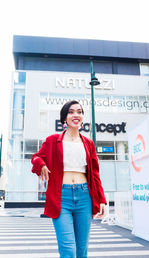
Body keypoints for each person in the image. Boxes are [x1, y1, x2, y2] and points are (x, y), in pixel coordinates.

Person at [31, 100, 107, 258]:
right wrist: (42, 164)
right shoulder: (53, 140)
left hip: (84, 196)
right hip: (61, 197)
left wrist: (102, 200)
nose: (76, 115)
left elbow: (95, 174)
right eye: (71, 112)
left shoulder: (88, 143)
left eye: (79, 112)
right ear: (64, 118)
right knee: (68, 250)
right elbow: (36, 157)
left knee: (81, 250)